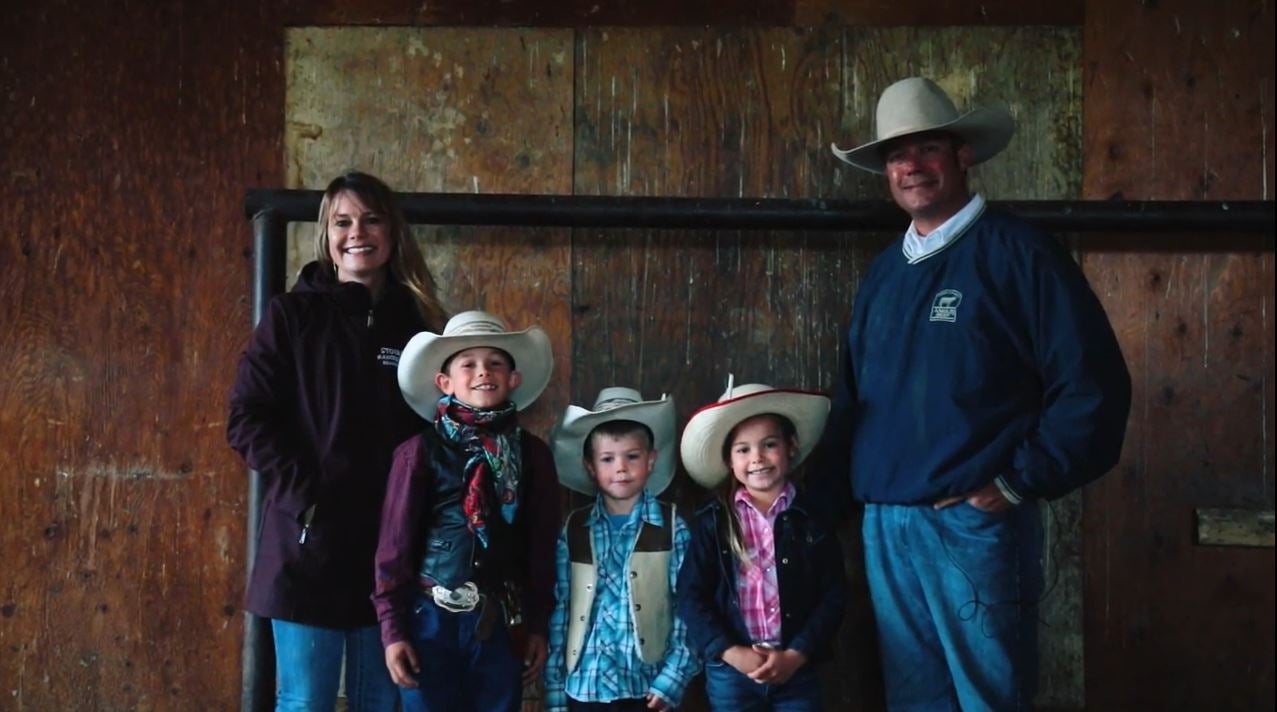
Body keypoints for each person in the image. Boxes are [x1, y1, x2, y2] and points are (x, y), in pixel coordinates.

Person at [818, 76, 1133, 710]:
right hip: (886, 522)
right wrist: (817, 508)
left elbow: (1093, 385)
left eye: (927, 148)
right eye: (895, 156)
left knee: (989, 696)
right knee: (914, 699)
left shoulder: (1019, 255)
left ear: (962, 155)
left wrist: (1018, 483)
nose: (911, 167)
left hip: (972, 522)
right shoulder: (884, 273)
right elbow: (853, 399)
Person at [227, 171, 448, 711]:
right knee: (306, 702)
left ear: (392, 232)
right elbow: (246, 416)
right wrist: (309, 498)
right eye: (343, 221)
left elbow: (440, 426)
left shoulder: (418, 326)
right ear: (326, 235)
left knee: (382, 702)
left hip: (391, 555)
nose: (358, 233)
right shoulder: (292, 315)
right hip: (307, 551)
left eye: (371, 220)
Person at [372, 309, 561, 712]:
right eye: (468, 364)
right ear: (445, 382)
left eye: (495, 363)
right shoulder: (418, 453)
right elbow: (394, 550)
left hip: (501, 621)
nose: (482, 372)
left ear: (514, 379)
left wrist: (538, 625)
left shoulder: (532, 456)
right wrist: (393, 630)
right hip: (429, 620)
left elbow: (541, 548)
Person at [677, 377, 845, 711]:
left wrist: (797, 654)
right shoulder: (714, 522)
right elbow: (690, 594)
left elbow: (834, 593)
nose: (757, 458)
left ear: (791, 446)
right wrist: (728, 651)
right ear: (729, 461)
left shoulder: (811, 519)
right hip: (732, 673)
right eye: (743, 449)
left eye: (769, 444)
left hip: (796, 668)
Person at [543, 387, 699, 711]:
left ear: (651, 460)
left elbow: (690, 608)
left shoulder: (672, 528)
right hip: (584, 687)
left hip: (646, 688)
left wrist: (673, 677)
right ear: (590, 466)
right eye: (607, 459)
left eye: (632, 456)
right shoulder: (574, 530)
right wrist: (556, 692)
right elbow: (561, 610)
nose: (621, 468)